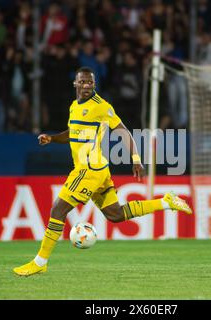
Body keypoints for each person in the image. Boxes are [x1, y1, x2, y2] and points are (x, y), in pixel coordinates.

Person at [13, 67, 192, 276]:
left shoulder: (102, 107)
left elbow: (123, 131)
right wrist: (52, 138)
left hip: (89, 170)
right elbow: (72, 133)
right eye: (83, 82)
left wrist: (136, 159)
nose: (87, 86)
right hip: (98, 169)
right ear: (75, 84)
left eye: (90, 82)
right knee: (115, 214)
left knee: (57, 211)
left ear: (94, 84)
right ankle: (166, 202)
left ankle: (40, 262)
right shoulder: (74, 107)